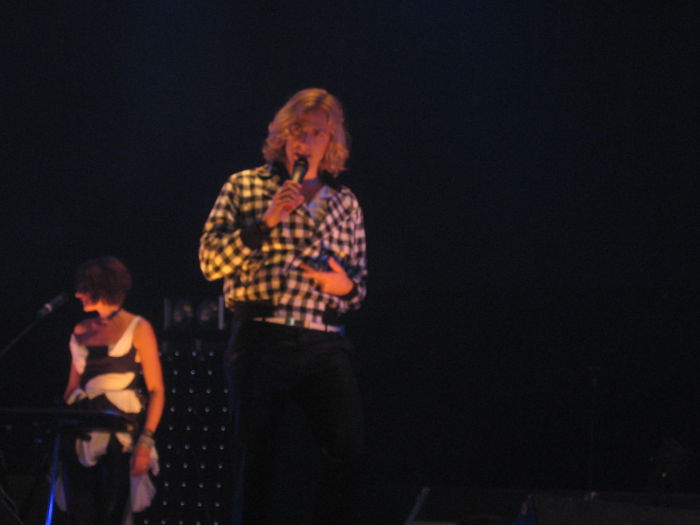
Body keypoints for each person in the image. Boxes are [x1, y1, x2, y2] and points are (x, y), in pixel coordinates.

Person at [199, 88, 367, 525]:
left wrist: (343, 285)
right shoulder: (245, 185)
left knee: (347, 449)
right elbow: (210, 262)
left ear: (331, 141)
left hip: (323, 341)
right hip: (262, 335)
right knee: (256, 459)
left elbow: (358, 291)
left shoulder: (345, 202)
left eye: (316, 133)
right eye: (297, 130)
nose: (304, 141)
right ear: (282, 135)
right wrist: (265, 222)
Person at [59, 256, 165, 525]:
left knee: (112, 511)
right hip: (81, 431)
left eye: (84, 287)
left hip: (120, 435)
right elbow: (72, 388)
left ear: (101, 288)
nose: (78, 294)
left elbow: (156, 390)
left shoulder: (138, 327)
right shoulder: (81, 329)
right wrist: (57, 442)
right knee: (81, 511)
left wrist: (145, 442)